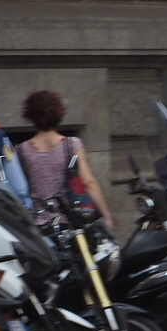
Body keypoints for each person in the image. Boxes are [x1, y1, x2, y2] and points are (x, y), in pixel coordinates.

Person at [16, 90, 114, 233]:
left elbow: (22, 189)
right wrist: (107, 215)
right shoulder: (72, 144)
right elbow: (88, 182)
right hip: (69, 220)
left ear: (30, 116)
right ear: (59, 113)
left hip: (38, 224)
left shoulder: (21, 150)